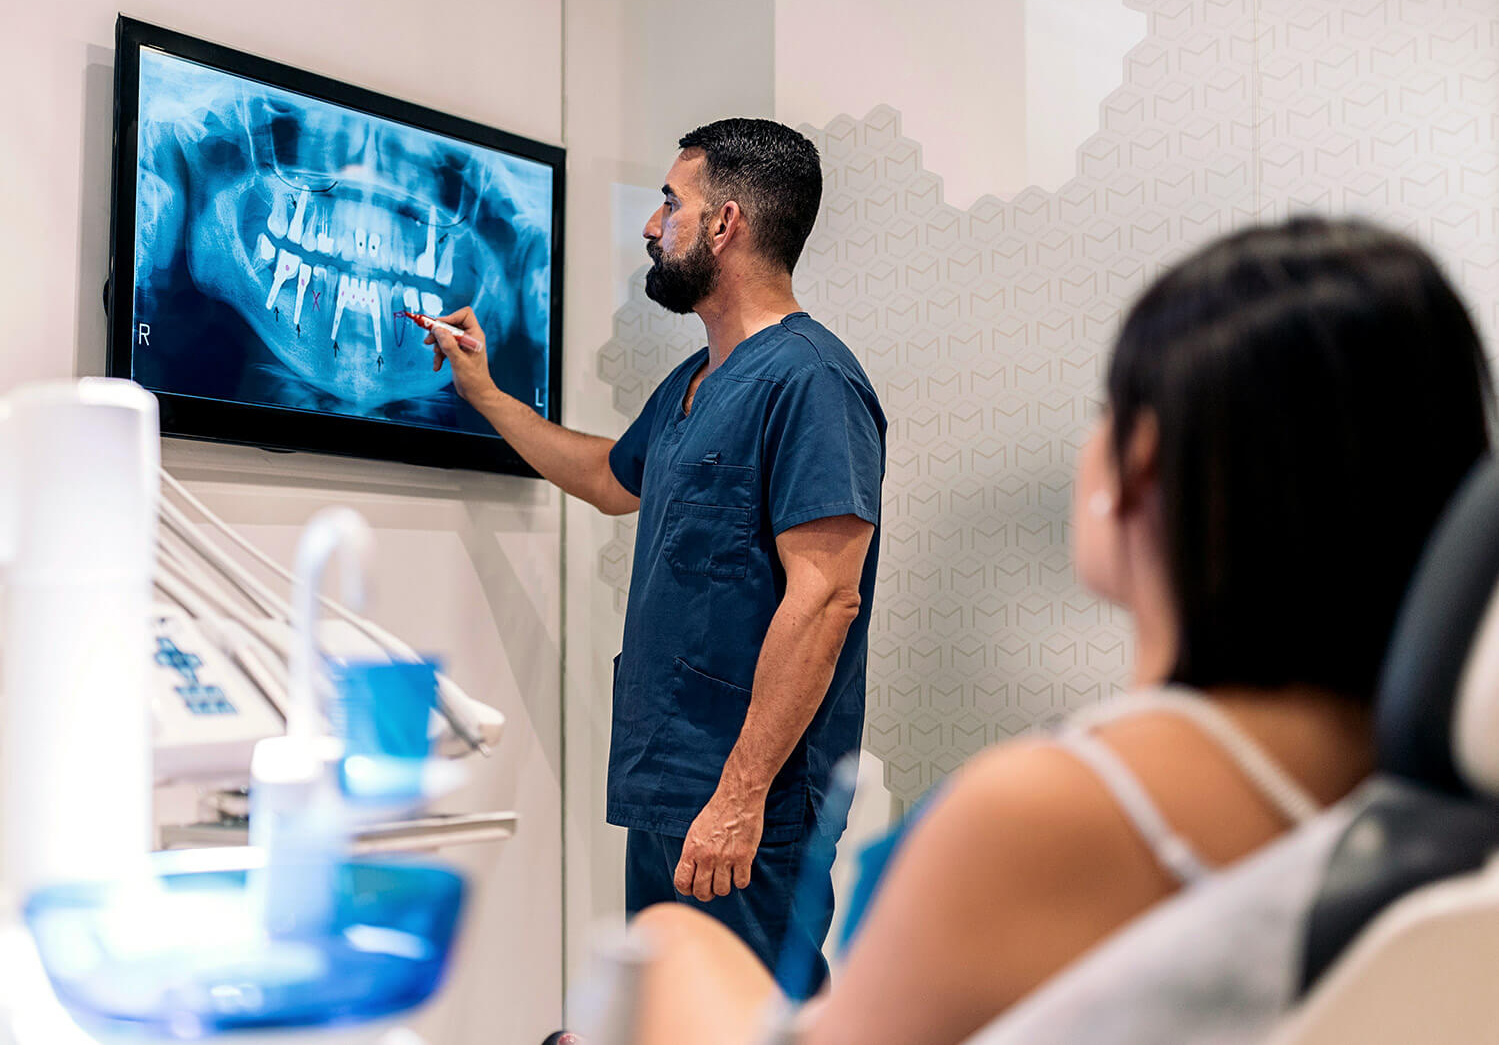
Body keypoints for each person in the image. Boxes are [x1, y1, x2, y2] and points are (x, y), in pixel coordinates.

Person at [623, 217, 1494, 1045]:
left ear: (1138, 463)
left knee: (668, 945)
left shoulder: (1044, 811)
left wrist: (670, 952)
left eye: (1104, 409)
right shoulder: (1429, 811)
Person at [422, 118, 887, 984]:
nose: (649, 224)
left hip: (748, 800)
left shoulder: (812, 380)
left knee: (751, 1022)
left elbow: (827, 597)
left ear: (725, 223)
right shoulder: (693, 382)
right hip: (671, 783)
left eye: (670, 203)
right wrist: (484, 393)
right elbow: (609, 478)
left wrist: (740, 795)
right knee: (669, 1014)